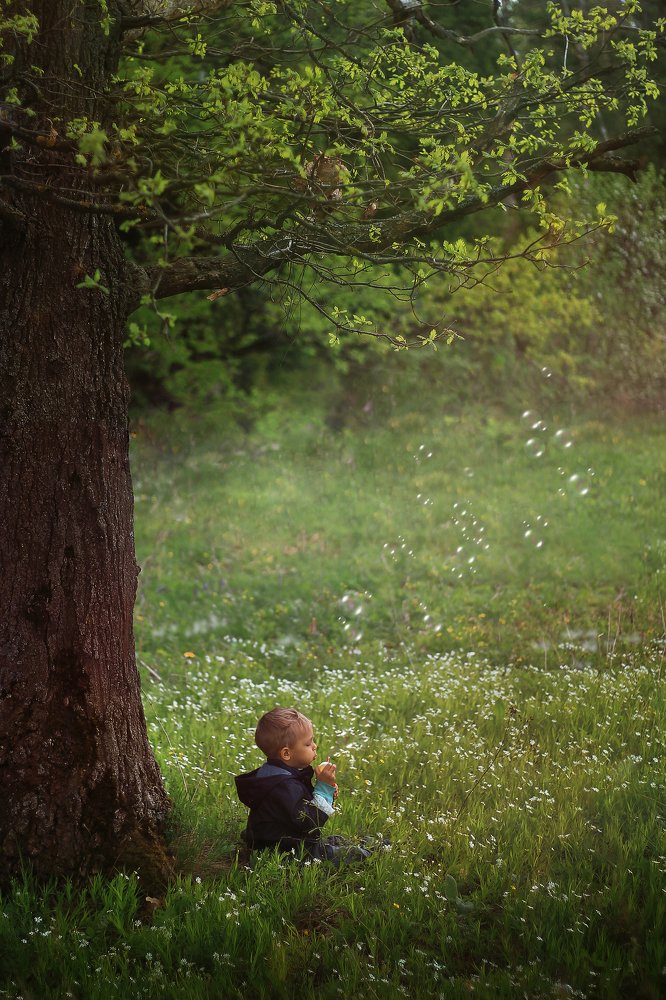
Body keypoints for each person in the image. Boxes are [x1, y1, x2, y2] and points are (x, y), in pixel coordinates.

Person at [234, 706, 372, 864]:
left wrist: (326, 790)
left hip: (280, 842)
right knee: (346, 854)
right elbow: (309, 823)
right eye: (308, 744)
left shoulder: (274, 774)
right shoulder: (283, 786)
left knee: (336, 841)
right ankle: (375, 852)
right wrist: (324, 789)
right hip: (284, 853)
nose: (315, 746)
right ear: (286, 753)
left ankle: (368, 845)